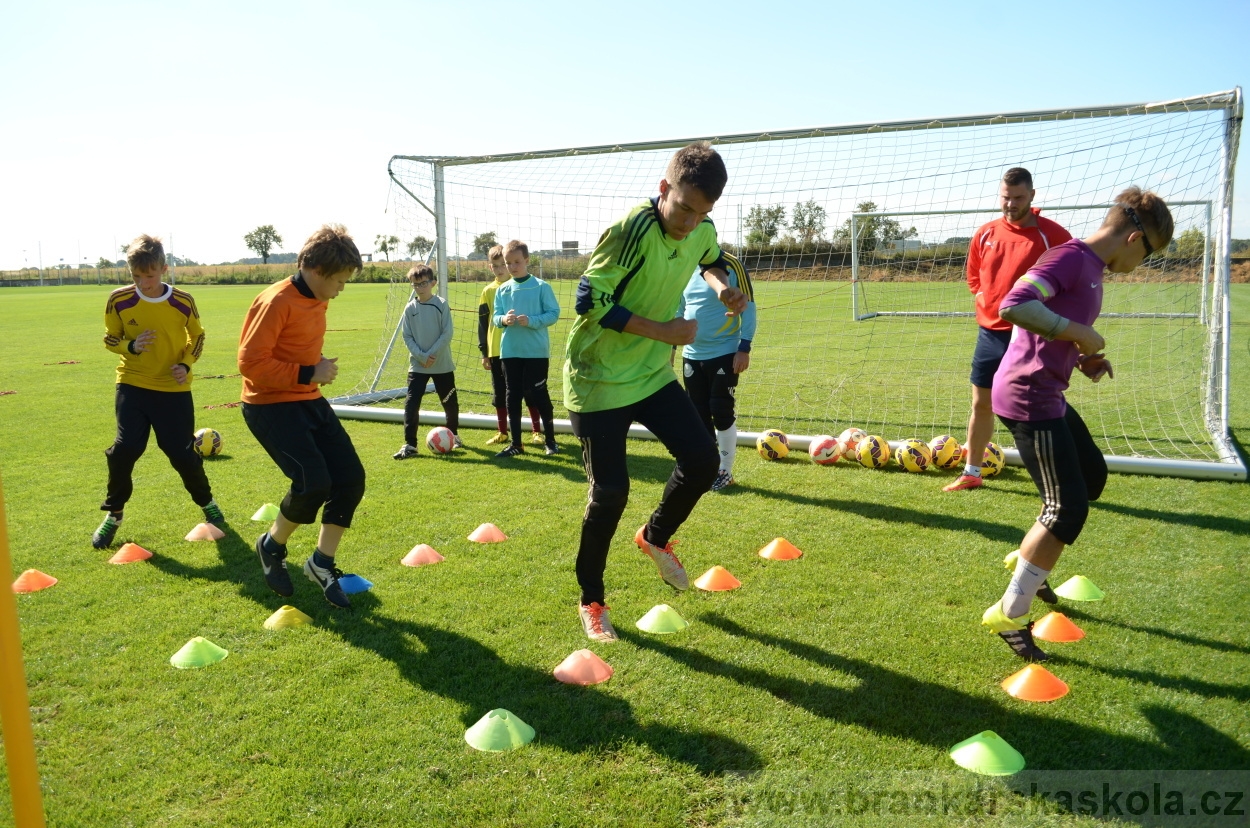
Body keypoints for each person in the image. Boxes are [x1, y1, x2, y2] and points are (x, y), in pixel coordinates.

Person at [564, 141, 746, 642]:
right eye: (684, 207)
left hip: (649, 375)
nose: (690, 222)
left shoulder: (701, 228)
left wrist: (719, 287)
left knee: (704, 461)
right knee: (610, 493)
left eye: (702, 212)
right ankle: (592, 601)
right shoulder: (631, 230)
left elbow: (710, 258)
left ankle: (656, 536)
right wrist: (665, 332)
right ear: (664, 189)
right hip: (598, 377)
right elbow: (589, 300)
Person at [981, 188, 1173, 661]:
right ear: (1133, 238)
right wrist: (1081, 333)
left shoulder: (1091, 270)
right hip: (1029, 397)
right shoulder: (1071, 259)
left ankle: (1028, 561)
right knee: (1067, 510)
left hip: (1050, 392)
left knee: (1092, 479)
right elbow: (1014, 304)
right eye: (1147, 255)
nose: (1140, 265)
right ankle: (1008, 613)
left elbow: (1051, 327)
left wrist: (1080, 355)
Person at [238, 225, 366, 609]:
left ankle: (321, 564)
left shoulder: (318, 297)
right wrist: (310, 372)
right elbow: (249, 363)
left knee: (350, 478)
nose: (342, 288)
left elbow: (294, 347)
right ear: (318, 271)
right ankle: (271, 545)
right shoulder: (276, 301)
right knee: (313, 482)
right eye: (341, 280)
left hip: (308, 400)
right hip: (269, 405)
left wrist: (314, 366)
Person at [92, 235, 223, 548]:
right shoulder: (119, 300)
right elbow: (110, 339)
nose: (143, 283)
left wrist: (186, 364)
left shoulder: (183, 300)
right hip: (132, 383)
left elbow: (198, 337)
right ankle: (114, 514)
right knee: (125, 449)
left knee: (180, 453)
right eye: (136, 276)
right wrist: (132, 346)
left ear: (164, 269)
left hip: (173, 389)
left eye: (149, 276)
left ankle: (207, 503)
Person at [946, 168, 1072, 492]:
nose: (1010, 204)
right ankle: (972, 472)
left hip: (1031, 336)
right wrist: (981, 295)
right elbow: (973, 273)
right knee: (981, 404)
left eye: (1018, 198)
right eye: (1006, 197)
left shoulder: (1053, 236)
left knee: (1034, 408)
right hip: (990, 333)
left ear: (1032, 195)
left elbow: (1072, 277)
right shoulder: (985, 233)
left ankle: (1054, 478)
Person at [677, 250, 756, 492]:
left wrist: (744, 348)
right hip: (691, 354)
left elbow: (749, 308)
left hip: (724, 351)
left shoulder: (731, 265)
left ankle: (725, 470)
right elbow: (679, 309)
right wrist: (671, 346)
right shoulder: (683, 263)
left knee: (720, 409)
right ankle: (707, 466)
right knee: (697, 413)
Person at [492, 239, 561, 457]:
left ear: (527, 261)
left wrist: (531, 320)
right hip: (510, 352)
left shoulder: (541, 286)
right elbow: (495, 317)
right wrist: (504, 319)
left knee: (538, 394)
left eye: (516, 262)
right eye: (508, 263)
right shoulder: (503, 290)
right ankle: (516, 444)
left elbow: (553, 314)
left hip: (535, 353)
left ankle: (550, 440)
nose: (512, 267)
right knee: (512, 396)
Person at [477, 245, 542, 446]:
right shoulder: (488, 291)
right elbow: (483, 323)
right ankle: (502, 432)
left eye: (502, 265)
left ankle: (536, 431)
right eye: (495, 266)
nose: (500, 270)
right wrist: (484, 351)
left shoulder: (520, 286)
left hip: (519, 350)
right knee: (500, 393)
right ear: (490, 267)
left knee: (528, 391)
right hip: (497, 351)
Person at [393, 264, 460, 458]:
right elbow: (407, 337)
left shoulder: (441, 304)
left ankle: (453, 435)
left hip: (441, 363)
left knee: (449, 401)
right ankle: (410, 445)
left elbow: (447, 333)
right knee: (411, 403)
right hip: (418, 364)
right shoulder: (409, 309)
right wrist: (422, 356)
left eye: (423, 283)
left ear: (433, 283)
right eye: (415, 284)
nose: (419, 287)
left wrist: (431, 353)